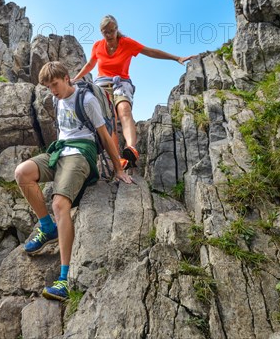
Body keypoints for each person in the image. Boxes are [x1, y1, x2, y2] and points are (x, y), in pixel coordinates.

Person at [14, 61, 133, 301]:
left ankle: (64, 280)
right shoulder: (56, 100)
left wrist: (118, 167)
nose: (52, 91)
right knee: (22, 173)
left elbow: (105, 136)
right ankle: (48, 227)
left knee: (60, 204)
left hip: (81, 153)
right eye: (48, 87)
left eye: (55, 84)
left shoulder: (86, 100)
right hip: (60, 152)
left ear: (67, 78)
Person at [73, 15, 196, 169]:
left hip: (121, 82)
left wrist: (176, 58)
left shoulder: (127, 43)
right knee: (110, 117)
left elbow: (150, 52)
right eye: (106, 32)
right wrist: (75, 79)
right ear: (101, 32)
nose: (109, 35)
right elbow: (90, 65)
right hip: (102, 84)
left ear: (117, 29)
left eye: (112, 31)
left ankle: (131, 149)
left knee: (124, 109)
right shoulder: (98, 45)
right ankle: (116, 157)